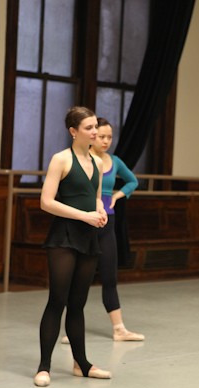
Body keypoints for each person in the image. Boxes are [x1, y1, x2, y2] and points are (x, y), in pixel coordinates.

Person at [33, 106, 111, 387]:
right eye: (89, 128)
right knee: (58, 300)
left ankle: (82, 364)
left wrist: (99, 211)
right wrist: (83, 215)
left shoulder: (99, 162)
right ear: (73, 131)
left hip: (88, 237)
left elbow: (97, 197)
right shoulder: (61, 160)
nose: (95, 132)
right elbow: (46, 201)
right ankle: (44, 366)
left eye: (95, 127)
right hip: (64, 237)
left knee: (78, 304)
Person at [61, 117, 143, 344]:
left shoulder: (114, 161)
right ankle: (71, 328)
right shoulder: (81, 160)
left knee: (109, 276)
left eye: (109, 137)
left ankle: (119, 329)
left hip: (107, 224)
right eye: (101, 136)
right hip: (84, 224)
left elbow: (132, 181)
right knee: (78, 279)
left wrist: (117, 195)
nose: (106, 141)